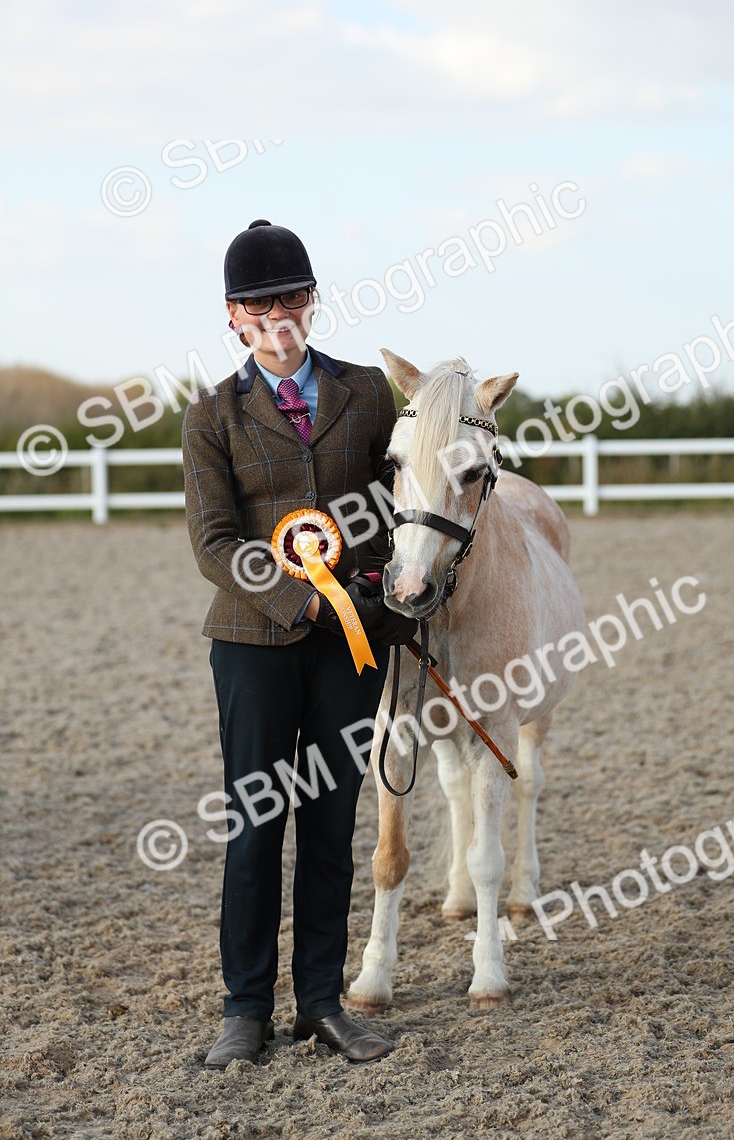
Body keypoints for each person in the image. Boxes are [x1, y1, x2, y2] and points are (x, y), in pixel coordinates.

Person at [181, 219, 416, 1069]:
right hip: (255, 641)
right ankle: (245, 1006)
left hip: (357, 642)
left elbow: (403, 506)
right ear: (234, 318)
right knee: (255, 824)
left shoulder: (369, 393)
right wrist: (309, 605)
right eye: (258, 303)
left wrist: (391, 594)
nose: (276, 313)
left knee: (331, 822)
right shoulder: (211, 415)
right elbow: (213, 542)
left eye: (289, 297)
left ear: (311, 303)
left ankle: (320, 1003)